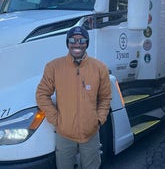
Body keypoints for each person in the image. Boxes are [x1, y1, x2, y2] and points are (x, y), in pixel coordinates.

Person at [36, 26, 112, 169]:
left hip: (91, 134)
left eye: (82, 40)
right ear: (67, 42)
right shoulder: (54, 67)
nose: (77, 44)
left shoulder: (99, 68)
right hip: (64, 134)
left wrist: (99, 119)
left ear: (87, 43)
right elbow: (41, 94)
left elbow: (105, 98)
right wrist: (56, 119)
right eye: (73, 40)